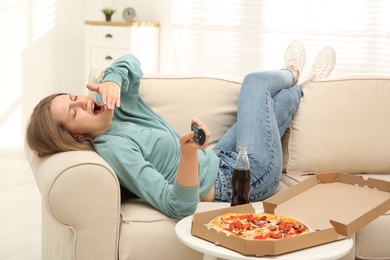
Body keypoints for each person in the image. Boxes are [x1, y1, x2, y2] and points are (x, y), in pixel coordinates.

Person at [26, 40, 336, 219]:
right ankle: (293, 73)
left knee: (275, 100)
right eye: (74, 111)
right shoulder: (115, 150)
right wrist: (187, 155)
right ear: (76, 135)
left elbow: (131, 62)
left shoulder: (113, 104)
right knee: (255, 83)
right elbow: (177, 206)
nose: (82, 101)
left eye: (73, 97)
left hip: (221, 157)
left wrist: (112, 77)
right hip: (245, 181)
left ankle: (308, 86)